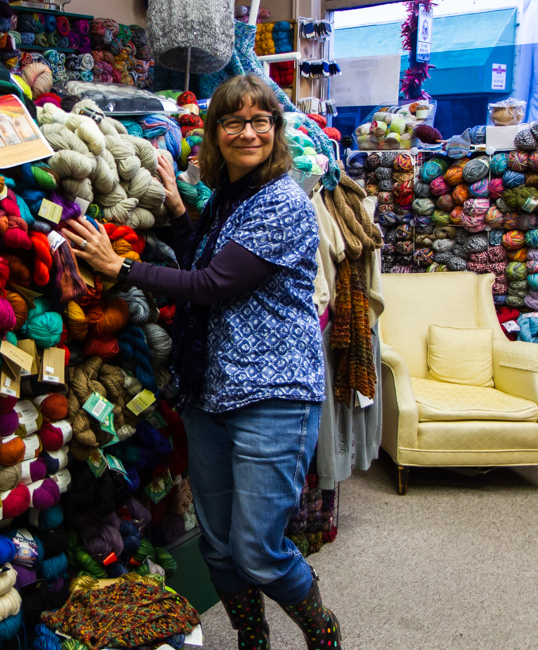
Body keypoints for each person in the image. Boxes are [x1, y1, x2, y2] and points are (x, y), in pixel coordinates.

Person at [60, 74, 341, 650]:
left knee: (259, 550)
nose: (248, 132)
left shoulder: (283, 201)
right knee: (216, 543)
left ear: (276, 130)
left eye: (261, 120)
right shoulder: (230, 200)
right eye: (233, 121)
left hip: (271, 395)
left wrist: (122, 269)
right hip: (212, 392)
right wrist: (180, 208)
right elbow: (206, 257)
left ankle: (323, 632)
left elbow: (212, 283)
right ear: (215, 133)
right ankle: (251, 640)